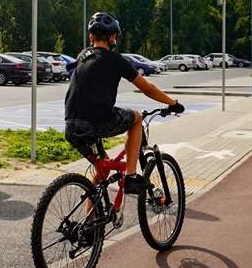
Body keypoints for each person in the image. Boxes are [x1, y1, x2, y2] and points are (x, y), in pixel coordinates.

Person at [65, 11, 184, 194]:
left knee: (101, 172)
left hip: (71, 126)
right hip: (97, 123)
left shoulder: (82, 56)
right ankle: (131, 176)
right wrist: (173, 103)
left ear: (91, 38)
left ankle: (91, 212)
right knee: (136, 118)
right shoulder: (117, 60)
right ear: (113, 37)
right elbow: (148, 89)